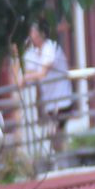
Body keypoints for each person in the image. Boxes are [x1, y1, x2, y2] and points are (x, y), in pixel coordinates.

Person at [19, 24, 72, 160]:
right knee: (53, 133)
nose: (33, 37)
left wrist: (27, 77)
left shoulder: (51, 48)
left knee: (55, 131)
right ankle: (60, 160)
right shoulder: (32, 54)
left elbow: (42, 73)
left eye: (35, 33)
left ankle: (62, 159)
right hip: (49, 102)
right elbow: (27, 76)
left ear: (42, 34)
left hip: (62, 99)